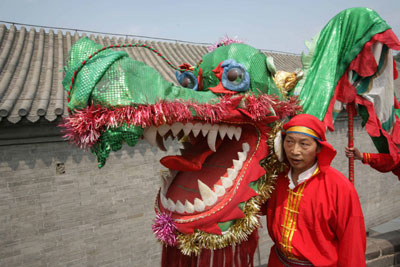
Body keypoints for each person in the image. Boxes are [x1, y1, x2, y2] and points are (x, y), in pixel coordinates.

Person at [264, 114, 366, 266]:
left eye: (304, 144)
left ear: (319, 147)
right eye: (289, 142)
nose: (294, 151)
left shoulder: (339, 187)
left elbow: (352, 244)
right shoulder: (276, 178)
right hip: (278, 262)